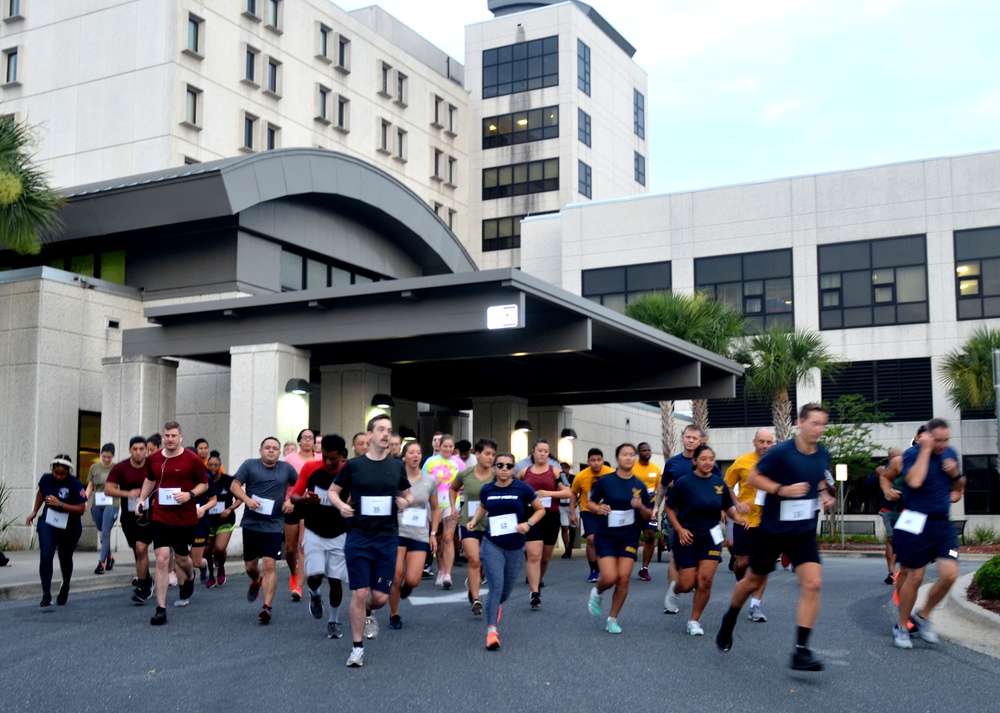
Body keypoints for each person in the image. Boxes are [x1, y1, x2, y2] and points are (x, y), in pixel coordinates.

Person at [715, 404, 837, 672]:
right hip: (773, 529)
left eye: (822, 424)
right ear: (799, 423)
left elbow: (816, 478)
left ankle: (801, 651)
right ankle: (730, 617)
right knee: (752, 581)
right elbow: (756, 478)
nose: (819, 429)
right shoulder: (781, 452)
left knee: (813, 583)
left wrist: (823, 493)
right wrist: (782, 489)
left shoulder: (822, 454)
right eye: (814, 423)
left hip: (802, 530)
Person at [329, 413, 413, 668]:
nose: (386, 434)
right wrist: (341, 505)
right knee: (359, 592)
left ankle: (369, 611)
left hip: (387, 539)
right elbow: (333, 492)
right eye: (380, 429)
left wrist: (405, 502)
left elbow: (408, 494)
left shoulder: (396, 466)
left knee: (379, 597)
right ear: (369, 435)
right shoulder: (354, 466)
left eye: (389, 430)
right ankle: (357, 648)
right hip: (359, 538)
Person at [892, 418, 965, 650]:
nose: (943, 445)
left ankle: (922, 616)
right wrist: (925, 450)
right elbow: (914, 481)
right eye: (938, 440)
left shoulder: (951, 453)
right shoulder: (913, 454)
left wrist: (954, 474)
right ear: (928, 436)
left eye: (946, 440)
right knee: (915, 576)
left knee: (950, 575)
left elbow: (959, 487)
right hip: (915, 521)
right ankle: (902, 626)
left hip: (941, 524)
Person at [665, 445, 746, 635]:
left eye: (711, 459)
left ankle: (694, 621)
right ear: (695, 461)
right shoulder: (684, 483)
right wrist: (680, 529)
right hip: (687, 536)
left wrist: (739, 518)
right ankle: (675, 589)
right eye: (703, 459)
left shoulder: (719, 484)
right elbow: (669, 508)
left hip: (711, 537)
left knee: (706, 579)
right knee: (686, 583)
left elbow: (727, 507)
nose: (708, 462)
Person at [135, 421, 210, 625]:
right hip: (161, 515)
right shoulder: (154, 459)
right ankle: (161, 608)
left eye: (173, 436)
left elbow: (204, 484)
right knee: (161, 559)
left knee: (182, 560)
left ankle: (190, 576)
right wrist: (142, 499)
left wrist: (190, 494)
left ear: (181, 437)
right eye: (167, 436)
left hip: (184, 517)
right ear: (162, 437)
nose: (170, 440)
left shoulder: (191, 459)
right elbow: (150, 480)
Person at [468, 452, 544, 651]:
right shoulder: (488, 489)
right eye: (499, 465)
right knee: (496, 587)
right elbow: (483, 506)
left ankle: (495, 606)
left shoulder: (522, 488)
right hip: (492, 543)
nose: (503, 469)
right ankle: (491, 631)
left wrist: (528, 523)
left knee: (505, 591)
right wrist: (474, 520)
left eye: (508, 466)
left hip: (515, 546)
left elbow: (540, 510)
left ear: (513, 469)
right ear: (493, 468)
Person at [586, 443, 654, 634]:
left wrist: (641, 506)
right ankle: (598, 591)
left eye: (632, 455)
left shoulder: (639, 486)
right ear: (617, 458)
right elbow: (590, 502)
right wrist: (599, 508)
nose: (629, 458)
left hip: (629, 537)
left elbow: (649, 515)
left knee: (623, 579)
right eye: (624, 455)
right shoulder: (606, 481)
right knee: (610, 577)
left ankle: (612, 619)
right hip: (607, 536)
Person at [230, 436, 298, 624]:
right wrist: (247, 499)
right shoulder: (250, 465)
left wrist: (291, 500)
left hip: (274, 524)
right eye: (267, 447)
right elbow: (234, 485)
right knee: (251, 567)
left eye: (274, 448)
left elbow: (301, 485)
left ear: (279, 452)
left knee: (269, 564)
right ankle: (255, 580)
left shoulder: (286, 469)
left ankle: (266, 607)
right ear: (260, 451)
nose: (271, 450)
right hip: (252, 524)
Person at [291, 434, 350, 639]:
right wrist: (305, 499)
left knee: (335, 581)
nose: (328, 461)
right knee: (314, 576)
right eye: (324, 456)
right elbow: (294, 496)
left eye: (333, 458)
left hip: (339, 533)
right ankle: (314, 595)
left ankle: (333, 621)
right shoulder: (310, 469)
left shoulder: (348, 472)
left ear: (342, 455)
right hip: (314, 531)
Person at [723, 428, 775, 622]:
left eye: (768, 442)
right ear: (754, 442)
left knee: (762, 564)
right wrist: (736, 503)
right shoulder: (742, 462)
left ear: (773, 444)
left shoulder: (777, 463)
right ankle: (743, 586)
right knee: (742, 563)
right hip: (743, 521)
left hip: (767, 522)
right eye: (761, 441)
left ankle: (755, 606)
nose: (765, 445)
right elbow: (727, 484)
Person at [389, 441, 441, 628]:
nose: (415, 455)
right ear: (404, 457)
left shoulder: (429, 480)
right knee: (396, 575)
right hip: (397, 530)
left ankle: (407, 587)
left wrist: (433, 533)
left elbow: (435, 509)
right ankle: (394, 614)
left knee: (413, 579)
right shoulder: (395, 478)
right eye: (411, 452)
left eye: (418, 452)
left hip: (419, 532)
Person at [26, 455, 87, 606]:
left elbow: (80, 509)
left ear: (68, 471)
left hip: (70, 526)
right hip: (49, 522)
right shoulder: (46, 479)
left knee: (64, 558)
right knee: (46, 554)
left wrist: (59, 503)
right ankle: (46, 593)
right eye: (56, 473)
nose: (59, 477)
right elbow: (41, 492)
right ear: (52, 470)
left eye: (62, 474)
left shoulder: (75, 484)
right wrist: (34, 511)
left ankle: (65, 585)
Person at [517, 438, 571, 609]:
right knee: (533, 555)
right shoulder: (524, 472)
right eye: (539, 450)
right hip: (531, 515)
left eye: (546, 451)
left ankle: (538, 579)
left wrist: (547, 493)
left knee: (545, 557)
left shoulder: (555, 471)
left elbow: (567, 493)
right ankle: (534, 592)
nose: (542, 454)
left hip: (550, 516)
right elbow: (515, 489)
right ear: (533, 452)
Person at [450, 437, 497, 614]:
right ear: (477, 454)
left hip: (490, 524)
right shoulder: (465, 474)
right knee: (474, 559)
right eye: (487, 454)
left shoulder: (497, 475)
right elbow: (453, 488)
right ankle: (475, 598)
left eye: (493, 454)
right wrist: (454, 506)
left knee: (484, 561)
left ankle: (473, 584)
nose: (490, 457)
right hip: (468, 522)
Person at [105, 436, 155, 602]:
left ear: (146, 450)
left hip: (148, 514)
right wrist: (127, 493)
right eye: (135, 449)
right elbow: (108, 489)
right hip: (128, 516)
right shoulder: (121, 467)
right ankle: (147, 579)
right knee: (136, 550)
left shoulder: (152, 465)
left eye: (142, 449)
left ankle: (141, 587)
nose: (139, 452)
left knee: (142, 549)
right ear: (130, 450)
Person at [282, 428, 320, 602]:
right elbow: (283, 482)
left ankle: (299, 585)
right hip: (292, 503)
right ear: (299, 441)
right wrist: (287, 501)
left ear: (314, 442)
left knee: (302, 546)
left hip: (310, 505)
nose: (307, 441)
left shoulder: (320, 459)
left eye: (310, 438)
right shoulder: (290, 459)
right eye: (304, 438)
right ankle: (293, 571)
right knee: (290, 549)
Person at [422, 433, 465, 588]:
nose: (447, 449)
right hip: (433, 505)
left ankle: (448, 573)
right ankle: (440, 569)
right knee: (439, 540)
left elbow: (464, 482)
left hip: (451, 503)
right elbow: (422, 480)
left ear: (454, 448)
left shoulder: (459, 463)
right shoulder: (430, 461)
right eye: (445, 446)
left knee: (448, 538)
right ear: (439, 446)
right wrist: (434, 482)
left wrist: (456, 486)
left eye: (450, 446)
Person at [570, 449, 614, 582]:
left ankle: (607, 565)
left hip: (607, 511)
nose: (596, 463)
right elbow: (573, 493)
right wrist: (572, 512)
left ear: (603, 460)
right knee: (591, 539)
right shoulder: (581, 476)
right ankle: (594, 569)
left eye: (599, 460)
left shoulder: (611, 474)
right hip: (588, 511)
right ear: (588, 462)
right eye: (593, 460)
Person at [205, 452, 240, 588]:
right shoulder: (204, 481)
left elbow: (240, 498)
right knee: (207, 550)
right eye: (210, 465)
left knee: (219, 548)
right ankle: (211, 574)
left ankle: (221, 567)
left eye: (216, 465)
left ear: (220, 466)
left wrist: (229, 509)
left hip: (225, 519)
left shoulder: (228, 481)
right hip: (208, 520)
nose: (213, 468)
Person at [85, 443, 117, 575]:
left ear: (112, 456)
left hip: (112, 502)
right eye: (104, 457)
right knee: (101, 533)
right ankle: (109, 557)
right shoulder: (94, 467)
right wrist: (84, 499)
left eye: (109, 457)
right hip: (98, 502)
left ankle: (101, 563)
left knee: (106, 531)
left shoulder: (116, 468)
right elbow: (90, 486)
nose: (106, 459)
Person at [632, 442, 662, 581]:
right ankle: (625, 564)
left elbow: (659, 489)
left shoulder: (655, 469)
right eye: (644, 450)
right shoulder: (632, 467)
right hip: (632, 506)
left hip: (649, 507)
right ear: (638, 452)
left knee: (650, 536)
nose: (647, 453)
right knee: (631, 537)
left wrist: (656, 506)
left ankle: (644, 568)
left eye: (649, 450)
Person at [876, 446, 905, 584]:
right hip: (889, 510)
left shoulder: (908, 466)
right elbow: (870, 485)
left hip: (907, 510)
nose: (897, 460)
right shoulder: (883, 470)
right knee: (892, 539)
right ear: (889, 458)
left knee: (908, 540)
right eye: (894, 457)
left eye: (900, 456)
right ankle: (892, 572)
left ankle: (905, 571)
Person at [186, 470, 218, 589]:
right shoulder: (178, 476)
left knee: (195, 562)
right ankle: (185, 586)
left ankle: (203, 565)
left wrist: (203, 509)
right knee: (181, 558)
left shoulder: (206, 477)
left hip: (199, 523)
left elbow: (213, 500)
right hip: (181, 522)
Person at [558, 462, 576, 559]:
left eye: (566, 468)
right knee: (564, 527)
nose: (564, 471)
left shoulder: (574, 478)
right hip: (562, 506)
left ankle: (571, 545)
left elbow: (581, 491)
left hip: (573, 505)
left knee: (573, 528)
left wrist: (578, 502)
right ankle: (567, 548)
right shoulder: (558, 480)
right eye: (562, 469)